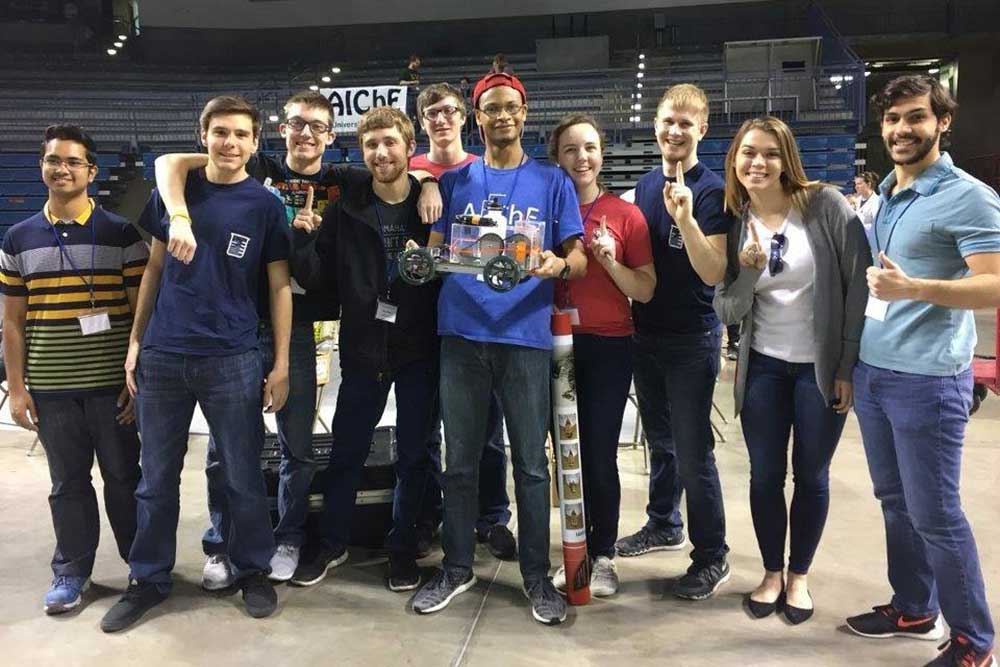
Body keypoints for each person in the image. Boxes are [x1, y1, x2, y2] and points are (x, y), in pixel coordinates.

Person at [153, 91, 442, 585]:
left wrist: (428, 178)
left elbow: (392, 169)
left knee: (300, 445)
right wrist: (179, 215)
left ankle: (294, 538)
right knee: (226, 449)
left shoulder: (344, 182)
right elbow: (169, 161)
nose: (305, 134)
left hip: (303, 325)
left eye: (317, 127)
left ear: (331, 138)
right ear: (280, 129)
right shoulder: (254, 162)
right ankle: (223, 545)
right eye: (296, 124)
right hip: (238, 325)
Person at [100, 95, 293, 632]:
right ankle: (148, 578)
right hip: (164, 357)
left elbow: (279, 287)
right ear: (203, 136)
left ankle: (252, 568)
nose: (229, 143)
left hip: (233, 357)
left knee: (242, 475)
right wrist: (136, 342)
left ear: (256, 144)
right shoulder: (175, 191)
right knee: (154, 478)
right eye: (220, 132)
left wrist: (279, 362)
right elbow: (154, 269)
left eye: (240, 135)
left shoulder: (265, 207)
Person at [411, 72, 586, 625]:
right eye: (491, 109)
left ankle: (535, 576)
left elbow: (577, 257)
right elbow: (435, 252)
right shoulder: (456, 179)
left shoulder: (553, 182)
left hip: (525, 339)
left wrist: (559, 265)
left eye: (511, 107)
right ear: (477, 117)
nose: (502, 116)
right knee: (459, 463)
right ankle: (458, 567)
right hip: (461, 335)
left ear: (524, 113)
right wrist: (421, 255)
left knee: (532, 466)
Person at [845, 75, 1000, 667]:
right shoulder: (885, 193)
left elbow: (991, 285)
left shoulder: (968, 195)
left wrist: (916, 288)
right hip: (875, 375)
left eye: (915, 118)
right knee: (894, 500)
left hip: (928, 382)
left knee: (936, 514)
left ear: (943, 122)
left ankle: (974, 642)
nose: (902, 130)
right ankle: (913, 605)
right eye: (892, 120)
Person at [713, 116, 870, 624]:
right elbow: (727, 311)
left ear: (787, 160)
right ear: (734, 161)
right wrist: (751, 270)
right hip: (763, 368)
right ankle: (770, 572)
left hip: (818, 370)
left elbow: (857, 288)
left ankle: (799, 574)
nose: (758, 163)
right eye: (748, 153)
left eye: (770, 153)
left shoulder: (824, 205)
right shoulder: (735, 219)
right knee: (764, 475)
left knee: (811, 474)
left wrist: (845, 364)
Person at [287, 106, 440, 593]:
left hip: (420, 347)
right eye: (371, 145)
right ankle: (332, 543)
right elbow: (317, 277)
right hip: (363, 347)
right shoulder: (345, 207)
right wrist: (301, 239)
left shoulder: (432, 200)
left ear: (409, 147)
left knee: (415, 454)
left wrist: (431, 183)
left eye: (390, 143)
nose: (380, 153)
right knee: (347, 451)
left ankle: (402, 548)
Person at [0, 124, 146, 616]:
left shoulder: (120, 233)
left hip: (111, 387)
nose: (61, 169)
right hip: (52, 387)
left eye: (72, 162)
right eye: (52, 160)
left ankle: (140, 566)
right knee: (67, 484)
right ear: (42, 166)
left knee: (125, 478)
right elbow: (13, 325)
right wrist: (18, 390)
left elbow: (137, 316)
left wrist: (135, 379)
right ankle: (72, 571)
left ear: (91, 171)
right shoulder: (18, 239)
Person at [614, 83, 735, 601]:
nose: (675, 131)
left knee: (693, 452)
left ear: (702, 130)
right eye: (668, 121)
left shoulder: (713, 192)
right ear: (656, 126)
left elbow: (713, 270)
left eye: (687, 123)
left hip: (691, 339)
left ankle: (713, 556)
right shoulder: (642, 186)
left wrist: (685, 217)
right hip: (646, 334)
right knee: (660, 442)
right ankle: (664, 521)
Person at [547, 114, 656, 597]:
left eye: (589, 147)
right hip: (552, 342)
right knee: (563, 454)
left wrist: (609, 259)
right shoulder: (544, 211)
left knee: (597, 453)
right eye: (570, 149)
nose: (581, 158)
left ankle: (604, 553)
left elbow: (646, 290)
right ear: (557, 158)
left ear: (602, 153)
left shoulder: (625, 215)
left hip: (608, 344)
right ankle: (572, 550)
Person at [409, 82, 517, 562]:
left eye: (450, 110)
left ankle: (493, 516)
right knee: (426, 427)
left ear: (464, 117)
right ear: (421, 121)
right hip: (418, 320)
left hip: (476, 319)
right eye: (432, 112)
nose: (441, 119)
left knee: (487, 427)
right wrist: (426, 180)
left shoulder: (483, 171)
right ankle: (431, 513)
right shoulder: (406, 169)